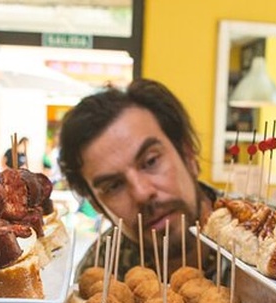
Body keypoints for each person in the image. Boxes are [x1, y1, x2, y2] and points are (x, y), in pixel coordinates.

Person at [59, 79, 219, 278]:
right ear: (98, 206)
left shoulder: (263, 241)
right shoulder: (102, 272)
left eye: (151, 161)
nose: (142, 193)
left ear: (187, 155)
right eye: (114, 186)